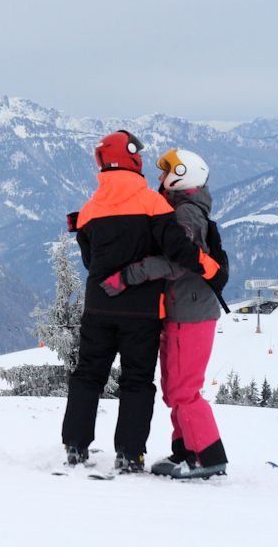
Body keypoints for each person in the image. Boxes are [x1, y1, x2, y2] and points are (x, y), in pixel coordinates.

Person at [61, 130, 210, 473]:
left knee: (88, 375)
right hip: (141, 311)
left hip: (98, 306)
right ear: (131, 158)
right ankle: (130, 453)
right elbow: (176, 250)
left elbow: (89, 262)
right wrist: (208, 266)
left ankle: (75, 445)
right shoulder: (153, 203)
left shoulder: (89, 209)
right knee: (137, 380)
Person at [102, 148, 227, 479]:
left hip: (190, 312)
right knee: (176, 388)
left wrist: (132, 273)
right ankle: (185, 451)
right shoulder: (182, 209)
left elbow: (178, 261)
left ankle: (208, 457)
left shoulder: (186, 215)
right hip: (183, 310)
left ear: (182, 174)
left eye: (166, 172)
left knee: (184, 390)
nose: (160, 178)